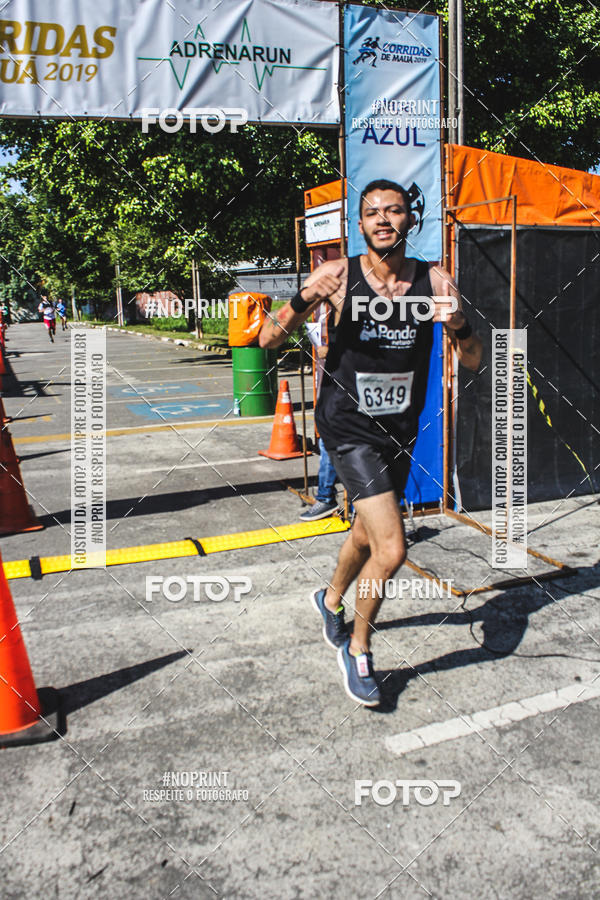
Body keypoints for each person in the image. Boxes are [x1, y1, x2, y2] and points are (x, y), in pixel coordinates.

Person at [260, 178, 482, 706]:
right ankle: (358, 649)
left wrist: (459, 324)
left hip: (398, 429)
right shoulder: (338, 277)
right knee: (392, 547)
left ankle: (330, 600)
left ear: (410, 220)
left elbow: (474, 360)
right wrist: (303, 298)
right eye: (373, 212)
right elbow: (267, 338)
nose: (384, 219)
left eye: (394, 210)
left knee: (365, 533)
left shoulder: (434, 280)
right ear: (359, 224)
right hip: (348, 427)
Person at [300, 303, 340, 521]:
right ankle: (326, 495)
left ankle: (326, 496)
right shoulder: (326, 311)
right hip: (331, 386)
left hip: (347, 389)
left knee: (329, 442)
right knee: (328, 441)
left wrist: (331, 351)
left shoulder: (355, 306)